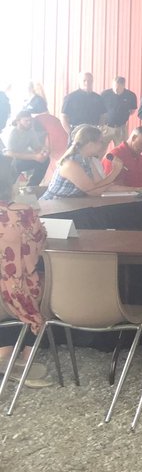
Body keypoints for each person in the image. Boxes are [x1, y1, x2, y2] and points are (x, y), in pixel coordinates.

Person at [0, 156, 52, 389]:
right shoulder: (21, 213)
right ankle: (24, 359)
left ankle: (5, 354)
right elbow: (35, 249)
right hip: (12, 292)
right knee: (38, 281)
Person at [40, 125, 128, 199]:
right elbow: (92, 191)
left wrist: (135, 189)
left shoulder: (87, 160)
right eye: (101, 142)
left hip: (72, 205)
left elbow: (99, 186)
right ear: (90, 144)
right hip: (54, 206)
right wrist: (115, 172)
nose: (102, 145)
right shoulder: (71, 163)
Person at [2, 110, 50, 186]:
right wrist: (34, 156)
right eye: (26, 120)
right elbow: (9, 153)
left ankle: (32, 186)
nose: (29, 122)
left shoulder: (30, 131)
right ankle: (7, 188)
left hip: (22, 158)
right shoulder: (12, 132)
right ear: (18, 121)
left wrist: (43, 151)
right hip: (8, 160)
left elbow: (36, 147)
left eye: (30, 120)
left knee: (45, 160)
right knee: (15, 164)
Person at [98, 75, 137, 146]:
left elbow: (132, 111)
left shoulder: (130, 95)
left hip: (121, 127)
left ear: (123, 86)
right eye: (114, 87)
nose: (116, 89)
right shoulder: (105, 94)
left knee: (121, 150)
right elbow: (100, 109)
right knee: (99, 148)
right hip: (106, 127)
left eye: (118, 88)